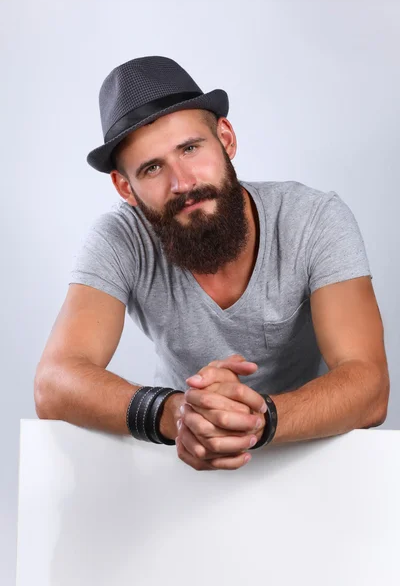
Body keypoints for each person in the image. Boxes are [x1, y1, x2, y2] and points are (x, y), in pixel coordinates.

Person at [34, 55, 390, 471]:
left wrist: (256, 420)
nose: (183, 182)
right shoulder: (120, 239)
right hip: (184, 462)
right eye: (152, 168)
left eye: (190, 148)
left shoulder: (315, 219)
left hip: (309, 456)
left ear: (226, 138)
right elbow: (53, 383)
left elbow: (370, 386)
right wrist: (176, 414)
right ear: (125, 188)